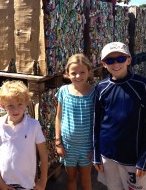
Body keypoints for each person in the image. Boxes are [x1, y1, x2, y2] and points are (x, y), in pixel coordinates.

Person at [93, 42, 146, 190]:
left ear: (128, 60)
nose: (116, 64)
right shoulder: (101, 88)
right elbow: (96, 123)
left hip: (132, 158)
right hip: (107, 155)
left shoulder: (142, 85)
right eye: (110, 60)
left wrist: (145, 160)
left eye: (120, 59)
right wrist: (97, 155)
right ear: (104, 64)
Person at [0, 80, 48, 190]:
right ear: (2, 105)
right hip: (6, 184)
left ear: (26, 102)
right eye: (10, 105)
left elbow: (43, 154)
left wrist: (43, 181)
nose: (15, 109)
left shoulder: (34, 125)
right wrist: (0, 182)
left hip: (27, 184)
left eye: (20, 104)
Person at [55, 53, 94, 190]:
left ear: (89, 72)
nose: (78, 76)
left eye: (82, 72)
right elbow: (58, 117)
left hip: (87, 146)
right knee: (70, 178)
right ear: (67, 74)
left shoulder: (94, 93)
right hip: (68, 146)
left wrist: (95, 147)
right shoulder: (63, 91)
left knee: (86, 179)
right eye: (74, 73)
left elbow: (98, 121)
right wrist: (58, 142)